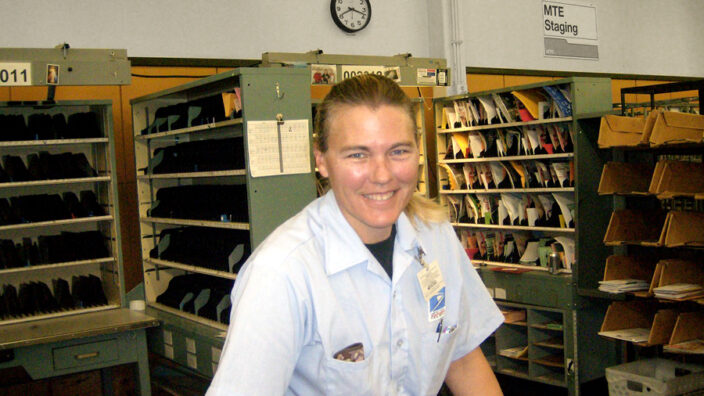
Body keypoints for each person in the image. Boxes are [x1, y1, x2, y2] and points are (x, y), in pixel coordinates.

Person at [206, 74, 504, 395]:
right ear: (321, 160)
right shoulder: (282, 273)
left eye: (399, 151)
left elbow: (461, 357)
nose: (382, 175)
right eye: (358, 155)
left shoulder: (435, 237)